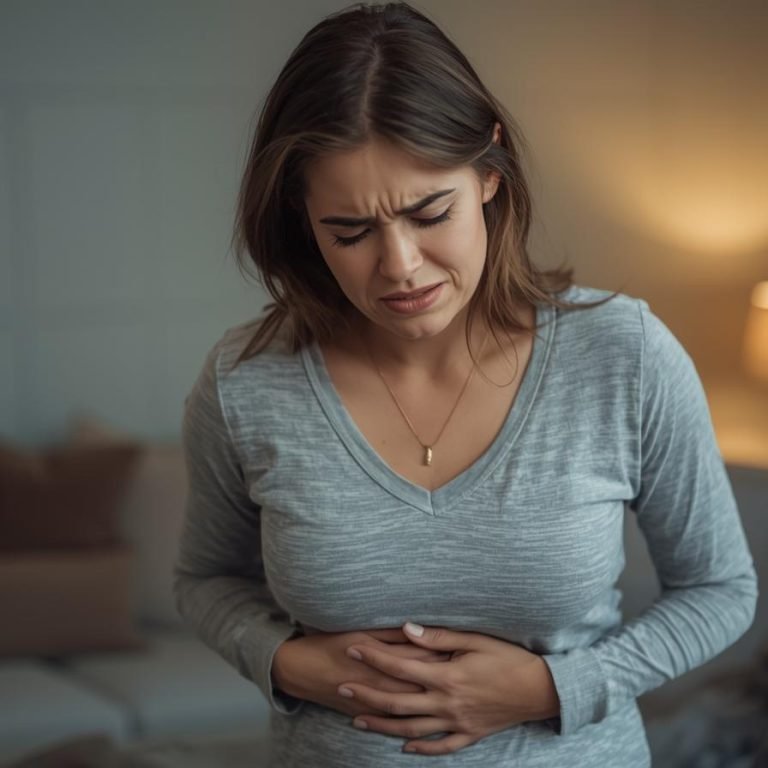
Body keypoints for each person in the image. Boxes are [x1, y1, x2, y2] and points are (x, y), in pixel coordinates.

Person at [172, 3, 758, 766]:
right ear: (300, 217)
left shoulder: (625, 354)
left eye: (429, 212)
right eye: (349, 231)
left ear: (488, 170)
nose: (400, 265)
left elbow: (721, 589)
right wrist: (285, 662)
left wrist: (557, 687)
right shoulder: (246, 380)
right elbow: (205, 578)